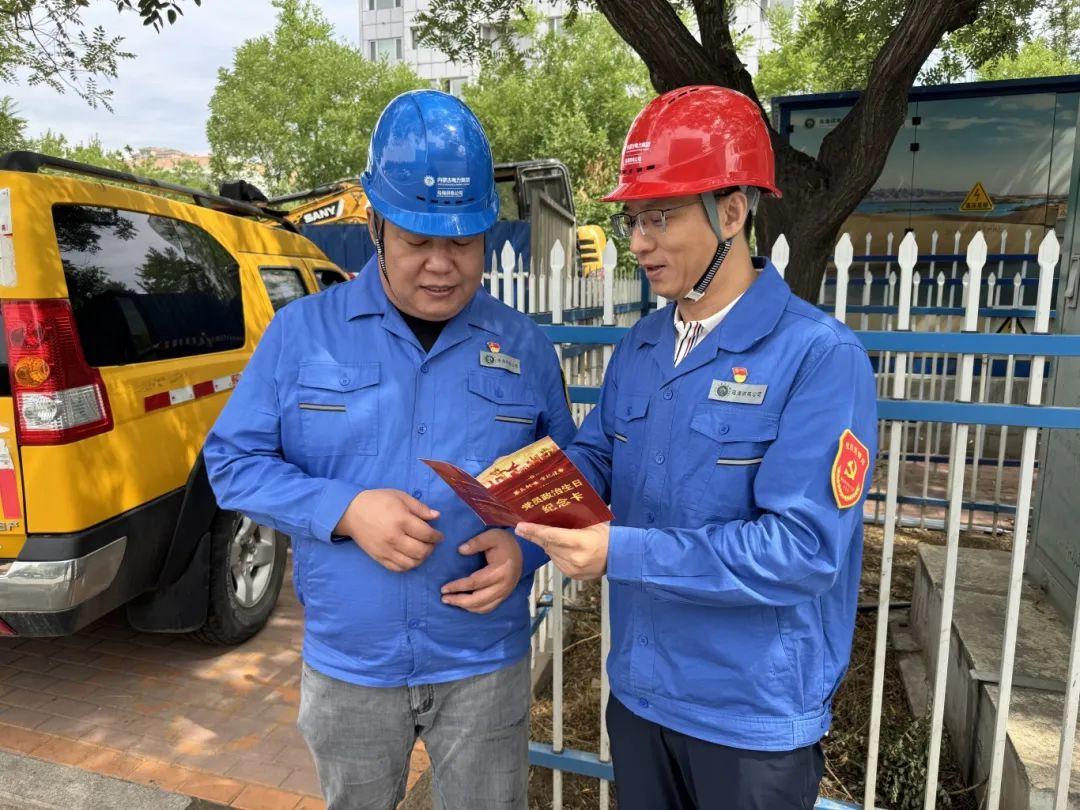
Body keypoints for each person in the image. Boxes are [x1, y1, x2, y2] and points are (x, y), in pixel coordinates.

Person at [204, 89, 575, 810]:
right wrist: (344, 509)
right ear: (375, 225)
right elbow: (233, 464)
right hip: (352, 668)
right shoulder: (301, 334)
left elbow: (561, 483)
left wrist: (524, 551)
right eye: (416, 241)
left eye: (461, 243)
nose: (441, 265)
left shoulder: (523, 346)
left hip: (483, 665)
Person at [516, 85, 878, 810]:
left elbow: (802, 550)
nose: (638, 242)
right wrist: (530, 490)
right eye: (633, 219)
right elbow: (599, 456)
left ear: (732, 212)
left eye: (661, 217)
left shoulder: (817, 357)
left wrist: (621, 551)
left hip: (749, 719)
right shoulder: (643, 345)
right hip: (642, 695)